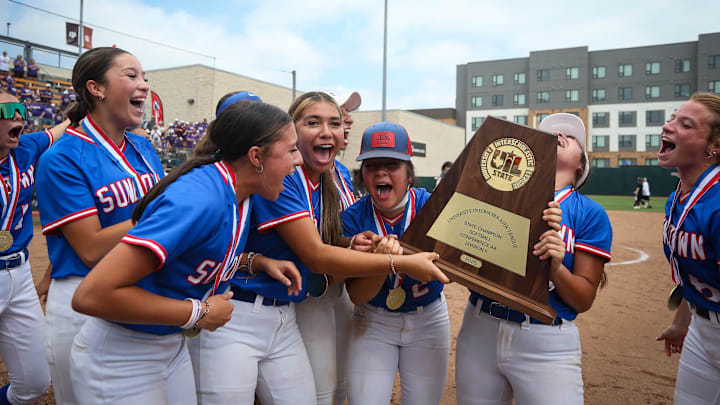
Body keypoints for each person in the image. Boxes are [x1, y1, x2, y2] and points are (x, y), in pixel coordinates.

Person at [189, 91, 448, 405]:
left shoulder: (325, 178)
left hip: (285, 311)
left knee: (324, 394)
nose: (326, 131)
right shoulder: (283, 176)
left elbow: (318, 242)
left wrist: (348, 243)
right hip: (238, 308)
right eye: (313, 122)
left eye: (334, 123)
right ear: (290, 130)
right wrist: (397, 263)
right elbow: (314, 253)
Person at [69, 100, 303, 405]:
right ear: (256, 157)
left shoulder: (238, 192)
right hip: (121, 355)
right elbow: (91, 295)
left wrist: (254, 263)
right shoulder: (199, 198)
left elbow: (194, 258)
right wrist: (199, 313)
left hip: (168, 345)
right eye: (291, 150)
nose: (297, 160)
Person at [35, 46, 164, 405]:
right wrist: (157, 213)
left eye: (145, 77)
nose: (144, 85)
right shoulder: (61, 156)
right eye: (131, 75)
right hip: (83, 298)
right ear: (97, 88)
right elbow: (90, 247)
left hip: (138, 290)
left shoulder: (143, 149)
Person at [455, 112, 612, 405]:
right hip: (479, 328)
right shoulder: (498, 195)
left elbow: (583, 299)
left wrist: (556, 268)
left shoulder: (590, 213)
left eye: (571, 136)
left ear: (581, 166)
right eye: (550, 136)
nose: (560, 136)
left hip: (546, 341)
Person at [342, 122, 450, 405]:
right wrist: (386, 263)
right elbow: (357, 295)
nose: (381, 172)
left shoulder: (432, 206)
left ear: (409, 173)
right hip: (372, 320)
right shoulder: (353, 219)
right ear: (362, 175)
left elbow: (455, 266)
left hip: (429, 318)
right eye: (372, 165)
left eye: (392, 164)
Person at [0, 90, 68, 405]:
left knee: (35, 383)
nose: (19, 116)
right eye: (9, 109)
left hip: (20, 272)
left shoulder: (26, 147)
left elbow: (62, 128)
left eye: (22, 109)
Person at [655, 93, 720, 405]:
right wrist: (682, 323)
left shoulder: (717, 206)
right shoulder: (678, 198)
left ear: (714, 147)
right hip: (700, 332)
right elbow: (690, 273)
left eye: (686, 124)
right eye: (672, 118)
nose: (668, 127)